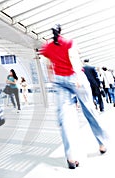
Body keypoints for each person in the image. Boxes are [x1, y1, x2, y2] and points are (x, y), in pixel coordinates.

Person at [40, 24, 107, 169]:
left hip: (60, 81)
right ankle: (102, 143)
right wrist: (77, 77)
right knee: (89, 110)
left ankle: (71, 157)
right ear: (61, 31)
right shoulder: (69, 42)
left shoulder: (48, 47)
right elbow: (74, 59)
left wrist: (52, 78)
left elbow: (48, 65)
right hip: (75, 79)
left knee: (65, 118)